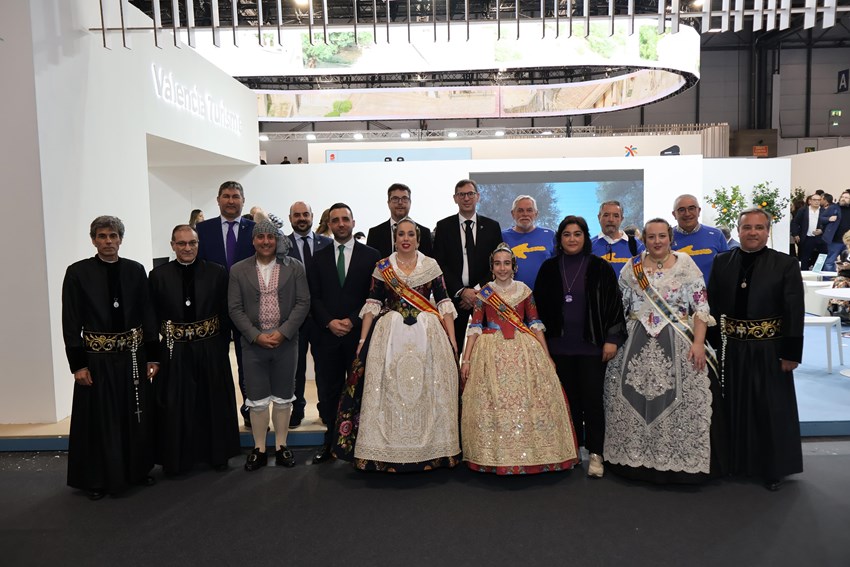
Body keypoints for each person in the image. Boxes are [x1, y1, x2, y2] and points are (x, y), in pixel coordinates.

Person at [604, 218, 727, 484]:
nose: (657, 241)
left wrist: (698, 343)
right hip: (636, 342)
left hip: (679, 339)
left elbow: (701, 307)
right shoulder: (632, 267)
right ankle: (637, 461)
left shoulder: (686, 264)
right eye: (651, 237)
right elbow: (619, 307)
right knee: (633, 397)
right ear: (644, 239)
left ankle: (679, 462)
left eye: (662, 236)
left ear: (671, 238)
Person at [333, 218, 461, 471]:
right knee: (389, 390)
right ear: (395, 238)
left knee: (429, 389)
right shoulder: (383, 267)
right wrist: (362, 340)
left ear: (418, 239)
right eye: (401, 234)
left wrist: (452, 339)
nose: (405, 238)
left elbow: (444, 302)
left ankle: (432, 451)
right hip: (390, 335)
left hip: (428, 335)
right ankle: (385, 451)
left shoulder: (431, 265)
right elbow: (373, 303)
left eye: (411, 234)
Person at [62, 216, 159, 500]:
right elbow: (71, 321)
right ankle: (97, 479)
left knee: (134, 414)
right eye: (102, 236)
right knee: (101, 419)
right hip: (96, 360)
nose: (108, 241)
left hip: (132, 357)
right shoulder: (78, 273)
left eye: (113, 236)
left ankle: (137, 470)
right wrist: (78, 364)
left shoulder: (135, 270)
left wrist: (153, 357)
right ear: (93, 240)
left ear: (120, 239)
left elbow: (148, 314)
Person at [460, 243, 579, 474]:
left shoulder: (524, 290)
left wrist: (546, 356)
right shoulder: (485, 293)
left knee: (528, 400)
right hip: (491, 350)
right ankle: (495, 455)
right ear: (492, 268)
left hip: (524, 350)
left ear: (514, 267)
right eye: (497, 264)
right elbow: (475, 327)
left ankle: (532, 455)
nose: (502, 268)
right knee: (494, 400)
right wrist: (467, 359)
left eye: (507, 263)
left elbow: (534, 323)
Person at [709, 208, 804, 491]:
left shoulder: (785, 264)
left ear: (767, 231)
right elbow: (713, 306)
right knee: (733, 405)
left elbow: (794, 310)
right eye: (747, 227)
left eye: (759, 227)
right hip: (732, 349)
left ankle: (771, 468)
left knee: (768, 408)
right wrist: (712, 345)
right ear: (738, 230)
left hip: (769, 350)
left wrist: (791, 353)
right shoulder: (722, 261)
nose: (753, 232)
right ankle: (734, 463)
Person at [533, 215, 626, 478]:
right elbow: (537, 309)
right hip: (558, 348)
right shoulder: (549, 268)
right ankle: (571, 451)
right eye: (567, 234)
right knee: (567, 402)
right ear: (559, 239)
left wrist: (612, 339)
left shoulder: (600, 267)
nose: (572, 239)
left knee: (593, 401)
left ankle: (596, 453)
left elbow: (614, 305)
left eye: (577, 234)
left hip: (592, 347)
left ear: (585, 237)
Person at [149, 224, 240, 475]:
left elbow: (226, 312)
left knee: (212, 401)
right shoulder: (158, 276)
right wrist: (154, 354)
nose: (187, 248)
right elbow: (151, 315)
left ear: (198, 244)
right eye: (181, 243)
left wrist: (221, 345)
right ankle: (177, 459)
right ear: (172, 246)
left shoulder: (217, 272)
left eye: (192, 243)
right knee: (176, 405)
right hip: (174, 350)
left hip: (210, 347)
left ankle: (217, 455)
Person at [228, 220, 310, 471]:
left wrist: (283, 333)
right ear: (253, 240)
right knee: (257, 397)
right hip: (252, 344)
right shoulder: (238, 270)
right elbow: (235, 308)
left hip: (286, 342)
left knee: (284, 397)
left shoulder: (294, 267)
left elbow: (303, 302)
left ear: (277, 240)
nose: (265, 241)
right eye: (260, 237)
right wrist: (255, 335)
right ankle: (260, 448)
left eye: (270, 237)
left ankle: (282, 446)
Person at [308, 203, 381, 464]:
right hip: (326, 336)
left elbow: (373, 295)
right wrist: (329, 322)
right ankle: (330, 442)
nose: (341, 224)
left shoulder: (371, 256)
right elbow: (313, 296)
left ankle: (360, 444)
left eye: (345, 219)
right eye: (335, 220)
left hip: (358, 335)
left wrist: (352, 319)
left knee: (361, 389)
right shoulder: (318, 257)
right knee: (329, 390)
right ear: (329, 224)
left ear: (353, 222)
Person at [195, 181, 256, 428]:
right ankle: (219, 416)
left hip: (248, 309)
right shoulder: (203, 229)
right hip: (213, 309)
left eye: (236, 196)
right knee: (215, 365)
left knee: (248, 364)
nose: (231, 201)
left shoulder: (255, 230)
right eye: (226, 196)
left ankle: (251, 412)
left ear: (243, 200)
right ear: (218, 199)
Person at [432, 179, 503, 355]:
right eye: (461, 194)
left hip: (485, 298)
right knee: (452, 351)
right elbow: (439, 263)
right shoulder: (443, 226)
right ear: (455, 198)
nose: (466, 198)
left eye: (470, 194)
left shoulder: (492, 227)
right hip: (454, 299)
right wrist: (462, 291)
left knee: (487, 351)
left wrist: (476, 291)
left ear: (478, 196)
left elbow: (497, 263)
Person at [286, 201, 333, 427]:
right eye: (297, 215)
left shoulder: (327, 243)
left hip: (321, 317)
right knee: (296, 369)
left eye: (305, 214)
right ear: (290, 219)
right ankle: (297, 410)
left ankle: (326, 409)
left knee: (324, 367)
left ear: (312, 216)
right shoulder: (281, 245)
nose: (302, 218)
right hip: (294, 318)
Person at [670, 194, 728, 285]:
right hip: (677, 293)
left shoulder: (716, 235)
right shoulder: (666, 238)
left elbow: (727, 267)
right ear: (674, 214)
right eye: (681, 210)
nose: (687, 213)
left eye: (691, 208)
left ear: (699, 211)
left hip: (712, 293)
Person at [500, 195, 555, 289]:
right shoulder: (501, 237)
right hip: (511, 295)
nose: (525, 214)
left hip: (545, 294)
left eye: (529, 210)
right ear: (513, 214)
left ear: (536, 213)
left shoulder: (550, 235)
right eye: (520, 210)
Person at [366, 183, 433, 258]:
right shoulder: (375, 234)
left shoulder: (424, 233)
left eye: (404, 198)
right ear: (388, 203)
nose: (400, 202)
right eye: (395, 199)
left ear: (410, 202)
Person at [590, 200, 644, 277]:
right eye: (606, 215)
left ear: (621, 219)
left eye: (616, 216)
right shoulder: (589, 246)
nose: (611, 220)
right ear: (599, 217)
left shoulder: (636, 245)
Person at [790, 193, 829, 270]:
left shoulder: (824, 211)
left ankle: (818, 273)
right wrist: (795, 234)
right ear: (810, 201)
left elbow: (829, 225)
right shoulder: (803, 210)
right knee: (805, 258)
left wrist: (822, 230)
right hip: (807, 237)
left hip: (820, 238)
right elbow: (795, 222)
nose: (817, 202)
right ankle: (804, 273)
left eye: (819, 200)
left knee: (821, 257)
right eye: (814, 200)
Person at [827, 230, 850, 323]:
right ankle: (836, 308)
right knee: (838, 280)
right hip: (845, 276)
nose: (848, 247)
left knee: (842, 283)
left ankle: (843, 309)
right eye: (847, 245)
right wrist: (840, 268)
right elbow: (842, 273)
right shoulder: (845, 253)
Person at [826, 191, 850, 272]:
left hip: (848, 242)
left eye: (846, 198)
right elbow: (822, 218)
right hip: (835, 240)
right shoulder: (833, 207)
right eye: (842, 197)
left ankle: (845, 277)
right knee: (830, 262)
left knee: (847, 263)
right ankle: (828, 279)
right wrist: (828, 219)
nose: (843, 199)